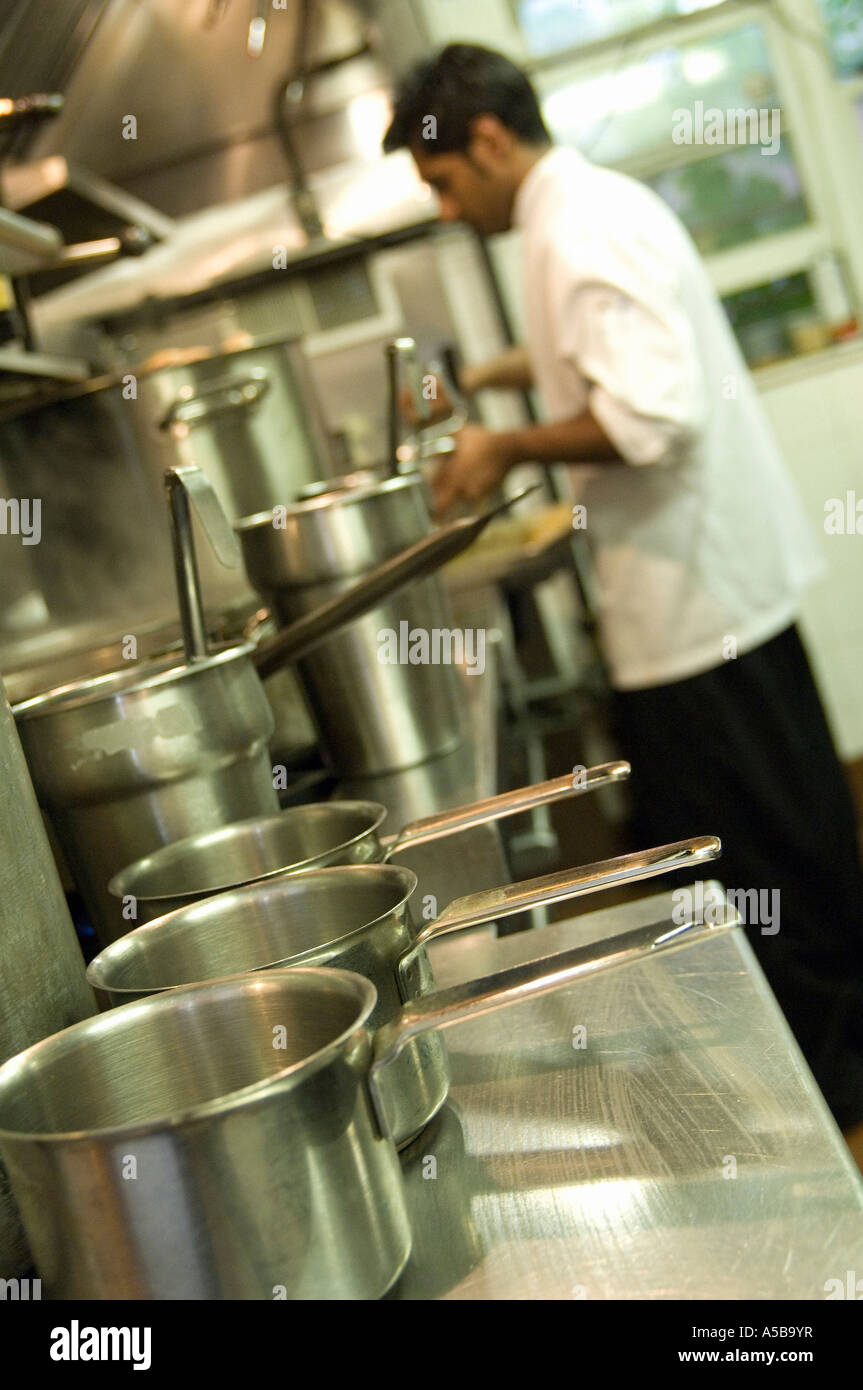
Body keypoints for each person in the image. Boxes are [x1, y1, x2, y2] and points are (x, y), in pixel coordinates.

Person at [383, 43, 863, 1151]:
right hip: (708, 593)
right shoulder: (577, 212)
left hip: (697, 607)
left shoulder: (576, 226)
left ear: (489, 140)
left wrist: (503, 445)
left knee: (769, 856)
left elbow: (651, 419)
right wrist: (504, 373)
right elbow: (611, 363)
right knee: (783, 836)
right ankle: (831, 1073)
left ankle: (833, 1107)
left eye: (445, 183)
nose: (450, 211)